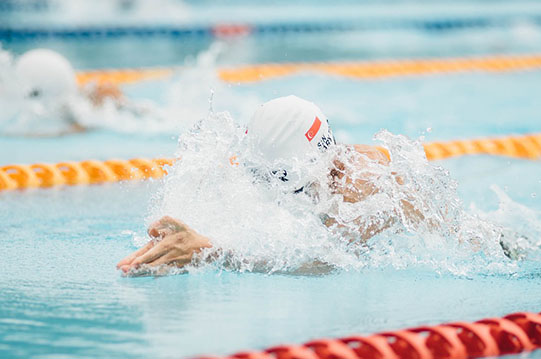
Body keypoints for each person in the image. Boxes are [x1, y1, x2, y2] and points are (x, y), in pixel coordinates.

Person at [116, 95, 434, 275]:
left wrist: (210, 252)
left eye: (290, 187)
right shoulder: (315, 168)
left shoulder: (363, 185)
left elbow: (319, 264)